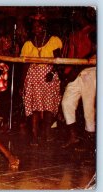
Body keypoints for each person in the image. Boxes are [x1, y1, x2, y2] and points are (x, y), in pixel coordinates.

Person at [20, 13, 63, 146]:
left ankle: (46, 132)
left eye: (37, 26)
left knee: (49, 107)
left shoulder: (54, 40)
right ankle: (34, 135)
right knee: (35, 108)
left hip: (49, 75)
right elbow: (25, 65)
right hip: (33, 77)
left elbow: (58, 60)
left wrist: (52, 72)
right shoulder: (28, 44)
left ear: (44, 27)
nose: (34, 29)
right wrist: (22, 84)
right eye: (33, 27)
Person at [61, 9, 96, 150]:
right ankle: (73, 136)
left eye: (75, 14)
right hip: (75, 73)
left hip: (90, 71)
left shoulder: (93, 30)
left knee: (89, 107)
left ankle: (90, 142)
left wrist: (78, 66)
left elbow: (95, 49)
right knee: (67, 103)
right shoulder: (73, 34)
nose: (73, 17)